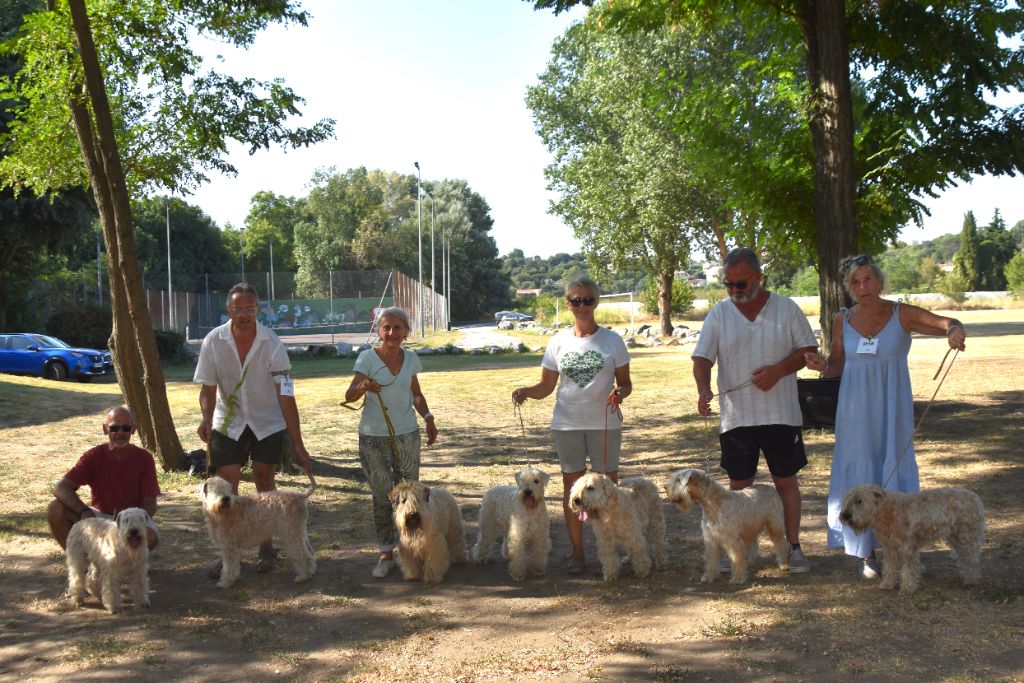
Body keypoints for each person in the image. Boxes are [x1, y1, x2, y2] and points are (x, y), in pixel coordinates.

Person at [804, 254, 967, 579]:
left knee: (891, 464)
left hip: (892, 406)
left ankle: (902, 545)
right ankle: (865, 553)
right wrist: (823, 366)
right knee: (859, 464)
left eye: (867, 280)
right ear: (849, 288)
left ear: (879, 281)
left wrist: (954, 331)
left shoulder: (901, 313)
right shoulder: (842, 319)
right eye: (855, 282)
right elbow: (837, 363)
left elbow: (945, 323)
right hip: (854, 408)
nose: (862, 287)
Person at [693, 247, 817, 574]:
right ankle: (742, 554)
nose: (735, 291)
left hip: (781, 414)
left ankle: (793, 548)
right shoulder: (719, 314)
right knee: (738, 488)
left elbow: (808, 351)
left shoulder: (787, 309)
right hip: (737, 418)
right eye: (729, 284)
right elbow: (702, 358)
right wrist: (703, 388)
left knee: (785, 483)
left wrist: (779, 370)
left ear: (758, 278)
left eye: (741, 284)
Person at [511, 276, 631, 575]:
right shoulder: (558, 342)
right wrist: (526, 392)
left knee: (609, 490)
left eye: (588, 300)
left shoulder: (612, 341)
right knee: (572, 491)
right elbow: (545, 386)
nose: (582, 306)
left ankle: (612, 551)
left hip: (605, 424)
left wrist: (621, 393)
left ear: (596, 302)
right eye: (576, 301)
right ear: (568, 304)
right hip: (567, 424)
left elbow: (626, 384)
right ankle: (578, 554)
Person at [195, 282, 313, 575]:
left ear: (257, 310)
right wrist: (206, 419)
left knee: (265, 483)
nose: (244, 314)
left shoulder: (271, 342)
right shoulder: (213, 341)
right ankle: (228, 554)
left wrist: (297, 442)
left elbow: (286, 394)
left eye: (249, 308)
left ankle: (266, 550)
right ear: (229, 310)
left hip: (266, 421)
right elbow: (208, 388)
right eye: (238, 309)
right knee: (226, 488)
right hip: (228, 421)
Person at [344, 306, 438, 579]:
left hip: (407, 434)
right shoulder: (366, 359)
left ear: (406, 331)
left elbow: (417, 395)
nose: (391, 333)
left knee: (411, 496)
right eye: (386, 327)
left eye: (397, 327)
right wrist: (362, 388)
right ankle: (386, 553)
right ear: (378, 331)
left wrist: (429, 418)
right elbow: (349, 394)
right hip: (373, 438)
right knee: (384, 495)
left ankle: (412, 552)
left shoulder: (411, 359)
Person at [47, 406, 160, 550]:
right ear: (105, 429)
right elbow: (61, 487)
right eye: (114, 428)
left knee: (150, 537)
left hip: (131, 518)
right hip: (98, 516)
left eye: (125, 428)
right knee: (55, 509)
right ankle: (80, 562)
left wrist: (132, 522)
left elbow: (150, 503)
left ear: (133, 429)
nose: (120, 433)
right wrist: (83, 511)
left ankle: (130, 563)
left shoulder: (145, 458)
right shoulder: (93, 456)